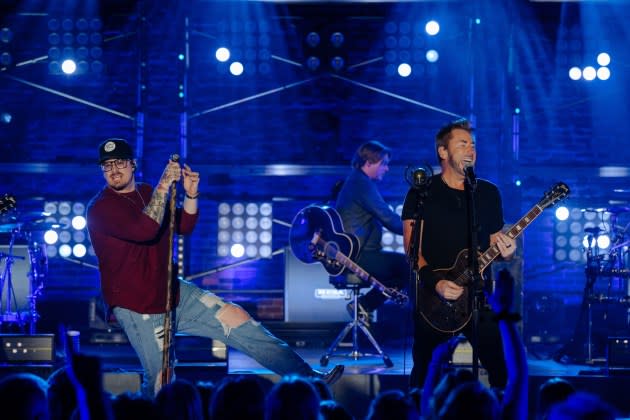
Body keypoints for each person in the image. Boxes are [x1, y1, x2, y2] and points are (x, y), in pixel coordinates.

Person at [87, 138, 343, 397]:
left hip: (171, 293)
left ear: (132, 164)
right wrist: (164, 185)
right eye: (107, 166)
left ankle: (310, 379)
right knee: (160, 380)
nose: (114, 170)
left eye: (119, 162)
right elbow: (145, 229)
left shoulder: (146, 192)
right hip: (137, 306)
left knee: (237, 318)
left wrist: (191, 193)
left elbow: (184, 225)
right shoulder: (101, 208)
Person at [402, 118, 516, 390]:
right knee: (424, 372)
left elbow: (493, 246)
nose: (470, 150)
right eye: (462, 143)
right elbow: (411, 249)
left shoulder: (487, 193)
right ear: (442, 151)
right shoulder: (422, 192)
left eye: (473, 145)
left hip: (477, 296)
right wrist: (436, 283)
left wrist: (507, 253)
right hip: (433, 297)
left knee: (502, 369)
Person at [335, 140, 409, 323]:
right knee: (410, 267)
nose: (386, 169)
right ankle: (424, 326)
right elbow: (388, 219)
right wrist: (418, 229)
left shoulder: (357, 181)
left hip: (360, 253)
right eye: (383, 164)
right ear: (368, 163)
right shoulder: (361, 184)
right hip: (359, 257)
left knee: (402, 270)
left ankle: (363, 305)